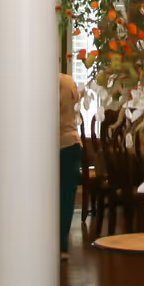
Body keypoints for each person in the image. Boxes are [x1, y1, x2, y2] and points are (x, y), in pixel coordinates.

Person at [59, 67, 82, 258]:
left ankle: (56, 244)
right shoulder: (69, 81)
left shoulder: (47, 85)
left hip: (58, 145)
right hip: (73, 143)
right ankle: (62, 245)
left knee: (55, 198)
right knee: (67, 197)